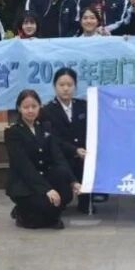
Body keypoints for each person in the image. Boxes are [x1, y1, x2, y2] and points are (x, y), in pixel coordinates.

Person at [6, 90, 81, 229]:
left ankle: (48, 213)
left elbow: (58, 157)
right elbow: (24, 166)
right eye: (26, 107)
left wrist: (73, 181)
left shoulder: (45, 127)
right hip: (25, 183)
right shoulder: (13, 132)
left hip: (44, 176)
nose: (30, 110)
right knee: (38, 219)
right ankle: (22, 212)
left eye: (34, 106)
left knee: (66, 194)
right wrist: (47, 190)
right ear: (19, 108)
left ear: (40, 106)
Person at [39, 68, 93, 213]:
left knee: (89, 161)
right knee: (64, 197)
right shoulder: (47, 110)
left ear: (75, 86)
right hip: (61, 156)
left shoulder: (83, 106)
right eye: (61, 85)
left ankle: (86, 200)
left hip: (83, 155)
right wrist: (74, 150)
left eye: (69, 85)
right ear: (54, 86)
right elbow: (53, 139)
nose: (66, 89)